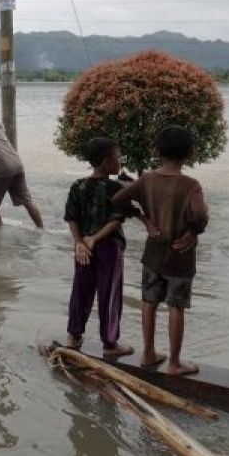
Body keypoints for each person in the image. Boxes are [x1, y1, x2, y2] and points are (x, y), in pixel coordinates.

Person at [111, 125, 209, 376]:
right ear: (190, 154)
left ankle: (147, 353)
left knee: (149, 302)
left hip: (153, 253)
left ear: (157, 151)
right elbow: (200, 214)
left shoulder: (147, 180)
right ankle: (174, 363)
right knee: (176, 306)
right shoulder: (191, 185)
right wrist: (193, 232)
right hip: (180, 255)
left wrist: (144, 218)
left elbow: (118, 199)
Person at [63, 137, 146, 358]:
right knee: (109, 295)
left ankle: (73, 337)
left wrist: (80, 242)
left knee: (80, 292)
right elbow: (116, 219)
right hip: (109, 247)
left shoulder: (77, 186)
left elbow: (71, 218)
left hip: (83, 249)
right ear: (106, 162)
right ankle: (110, 344)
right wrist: (96, 238)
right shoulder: (115, 188)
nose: (120, 161)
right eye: (118, 157)